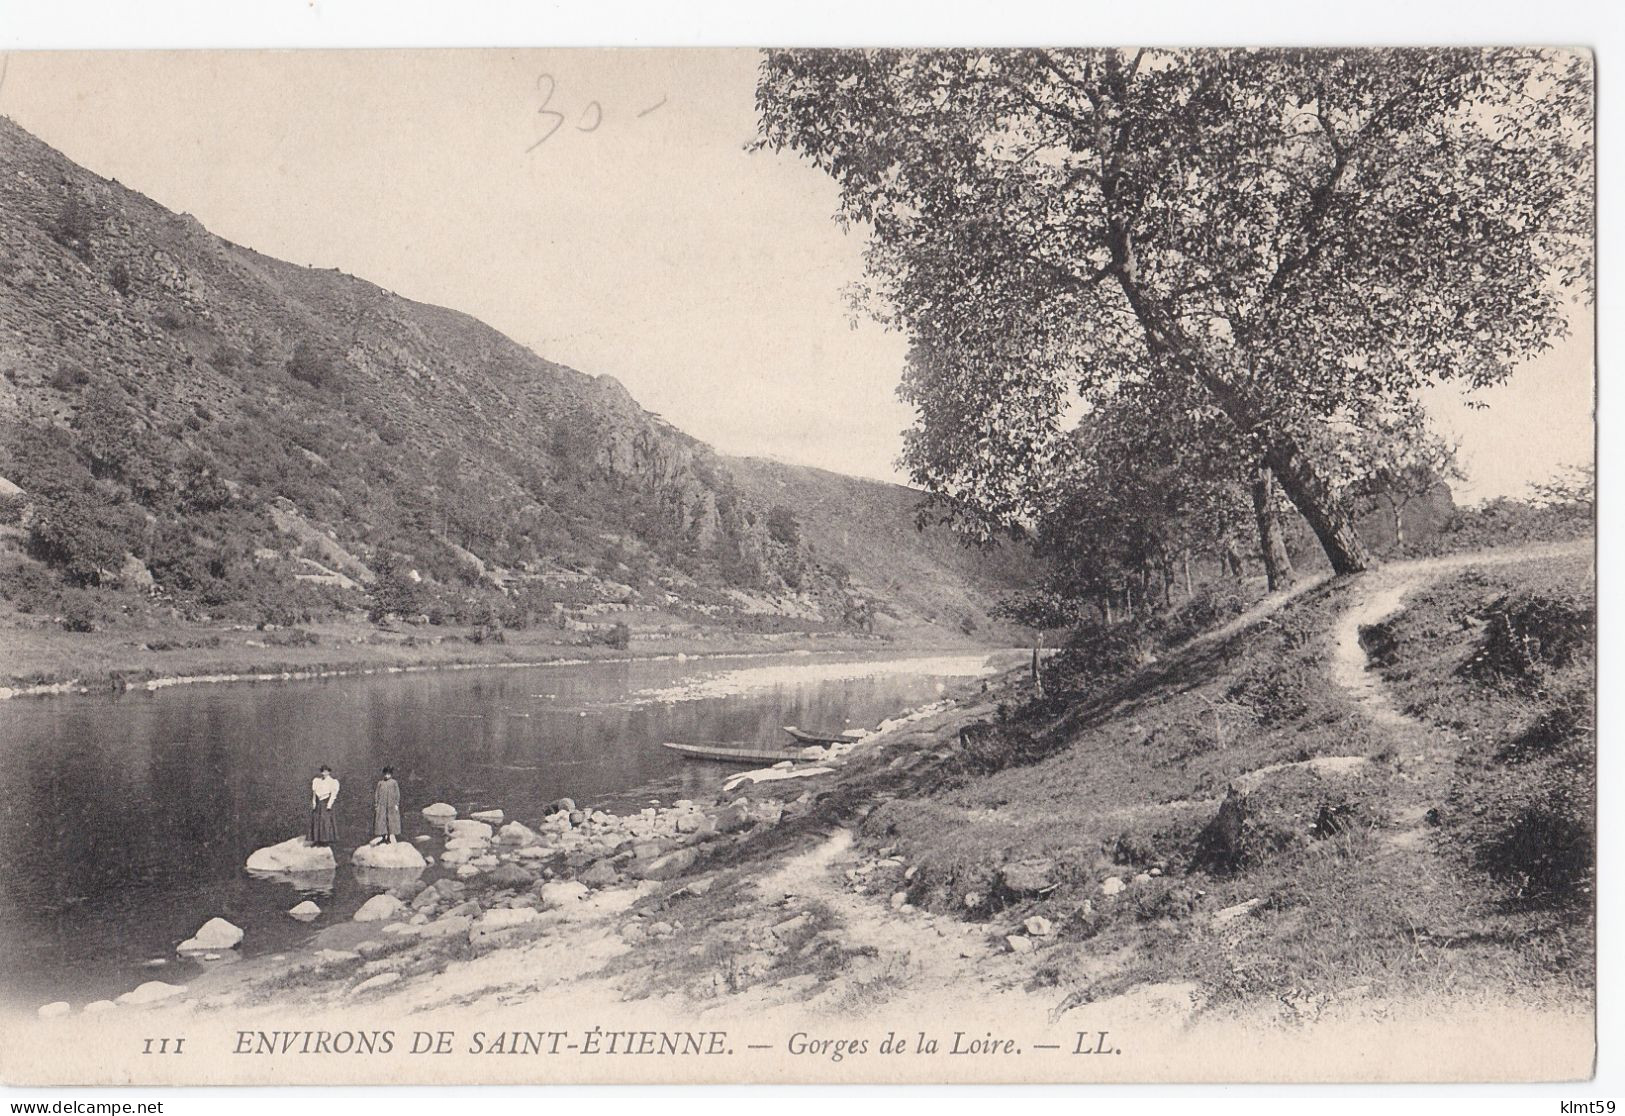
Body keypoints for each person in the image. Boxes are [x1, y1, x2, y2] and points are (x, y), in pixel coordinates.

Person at [309, 764, 339, 847]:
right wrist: (314, 802)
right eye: (322, 771)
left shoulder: (332, 782)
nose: (324, 773)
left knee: (325, 821)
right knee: (316, 820)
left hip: (326, 803)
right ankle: (316, 839)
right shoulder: (317, 781)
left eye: (326, 771)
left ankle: (325, 840)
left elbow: (333, 794)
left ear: (329, 772)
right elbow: (314, 793)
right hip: (319, 803)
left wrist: (329, 804)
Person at [372, 766, 401, 845]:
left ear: (391, 774)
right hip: (382, 806)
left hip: (391, 805)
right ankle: (383, 837)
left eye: (388, 774)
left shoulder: (394, 782)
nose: (386, 775)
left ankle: (389, 837)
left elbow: (397, 794)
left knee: (390, 821)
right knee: (381, 821)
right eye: (385, 774)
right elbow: (376, 794)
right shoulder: (380, 783)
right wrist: (376, 804)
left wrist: (396, 804)